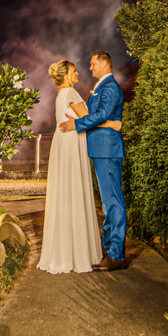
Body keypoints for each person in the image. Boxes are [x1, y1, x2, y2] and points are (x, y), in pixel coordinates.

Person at [36, 60, 120, 274]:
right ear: (66, 76)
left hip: (62, 144)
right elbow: (89, 119)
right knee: (74, 191)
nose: (78, 74)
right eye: (74, 71)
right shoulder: (71, 92)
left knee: (65, 193)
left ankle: (65, 252)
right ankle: (79, 253)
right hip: (72, 144)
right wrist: (112, 124)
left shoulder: (60, 94)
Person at [59, 50, 127, 271]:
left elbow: (102, 114)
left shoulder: (110, 87)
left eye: (93, 64)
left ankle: (117, 255)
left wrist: (76, 125)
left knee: (113, 202)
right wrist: (109, 124)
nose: (90, 68)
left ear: (104, 63)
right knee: (107, 203)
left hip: (107, 149)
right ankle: (107, 248)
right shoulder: (102, 86)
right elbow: (101, 117)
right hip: (100, 149)